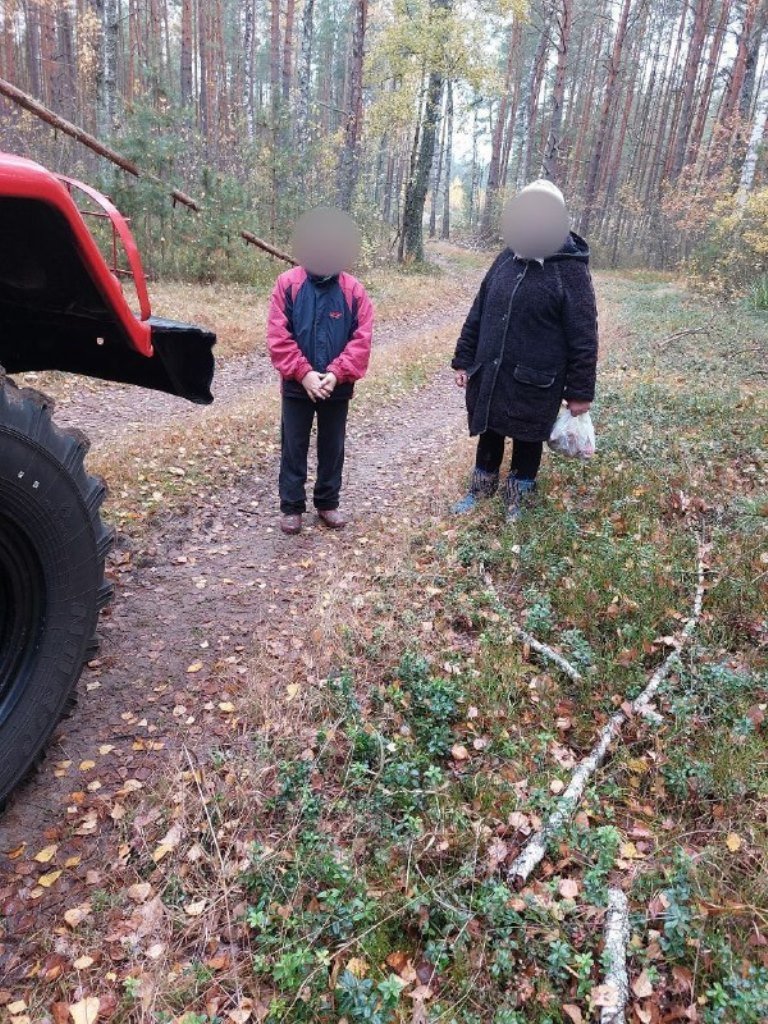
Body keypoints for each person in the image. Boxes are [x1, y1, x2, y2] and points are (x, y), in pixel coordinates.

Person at [451, 179, 598, 522]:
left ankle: (520, 495)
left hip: (538, 377)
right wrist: (464, 358)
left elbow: (584, 337)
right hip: (491, 368)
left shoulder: (570, 270)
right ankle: (481, 488)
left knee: (528, 435)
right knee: (489, 427)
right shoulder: (506, 257)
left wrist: (580, 393)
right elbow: (480, 307)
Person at [267, 208, 374, 535]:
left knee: (333, 445)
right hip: (297, 385)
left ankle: (327, 502)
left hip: (336, 387)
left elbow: (362, 337)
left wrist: (336, 373)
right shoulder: (287, 284)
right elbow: (277, 335)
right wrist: (303, 373)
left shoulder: (353, 290)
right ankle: (291, 506)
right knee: (293, 445)